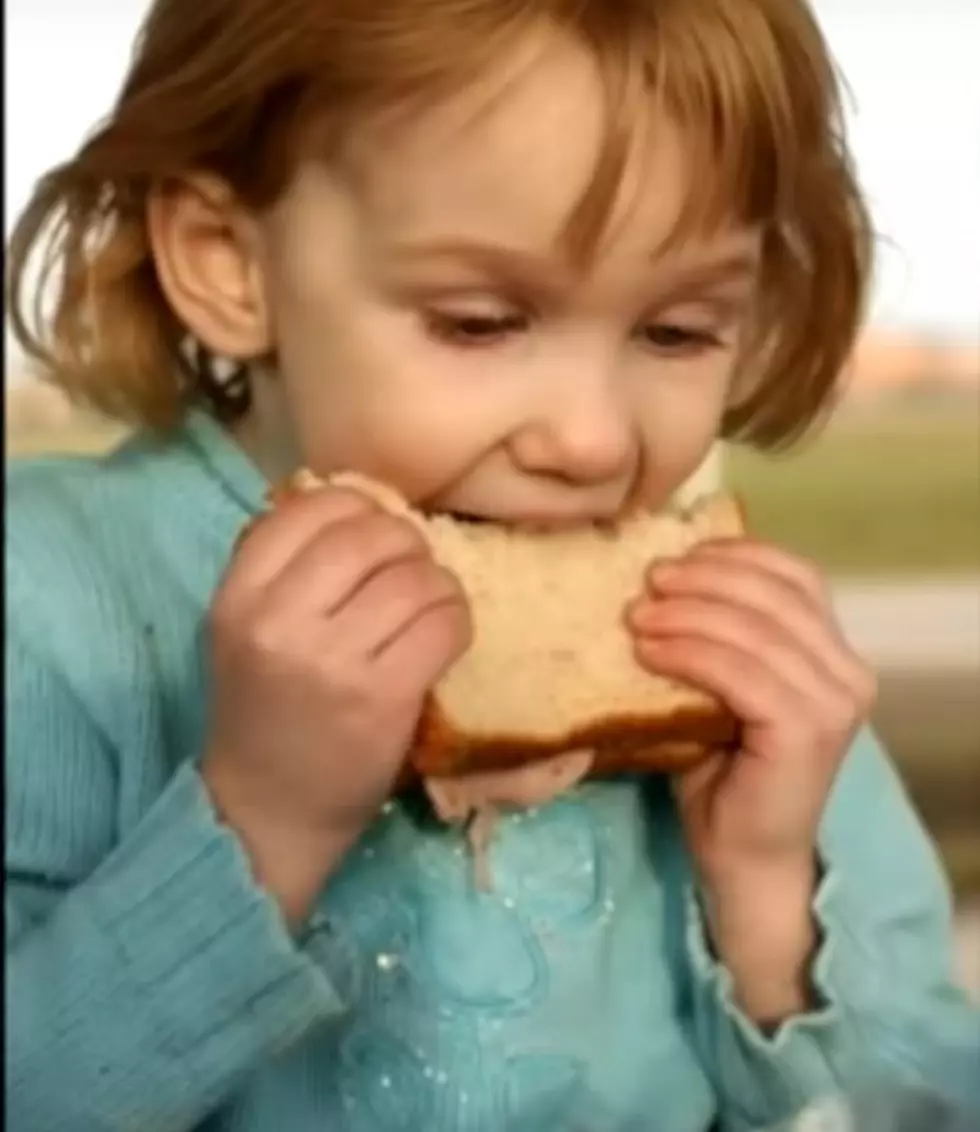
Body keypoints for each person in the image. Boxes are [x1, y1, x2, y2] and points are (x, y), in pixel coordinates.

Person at [5, 1, 978, 1130]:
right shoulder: (50, 596)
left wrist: (765, 897)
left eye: (674, 332)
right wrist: (257, 823)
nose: (593, 442)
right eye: (478, 322)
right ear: (229, 263)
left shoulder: (748, 665)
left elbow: (932, 1097)